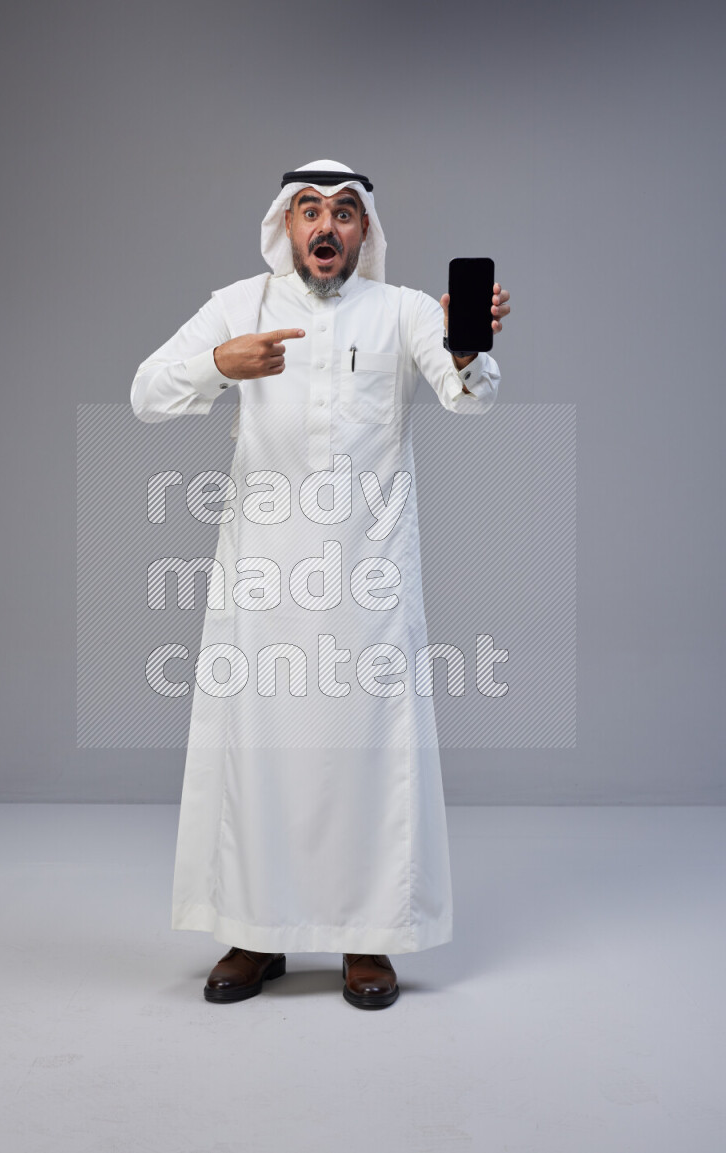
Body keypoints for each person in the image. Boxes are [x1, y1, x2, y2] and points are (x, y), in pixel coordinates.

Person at [130, 159, 510, 1010]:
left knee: (370, 756)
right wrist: (218, 366)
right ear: (285, 226)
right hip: (262, 582)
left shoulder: (404, 310)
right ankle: (255, 932)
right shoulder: (240, 305)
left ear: (365, 229)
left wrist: (465, 349)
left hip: (368, 584)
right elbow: (144, 393)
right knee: (259, 755)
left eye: (344, 211)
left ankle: (369, 939)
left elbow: (468, 397)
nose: (326, 226)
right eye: (309, 211)